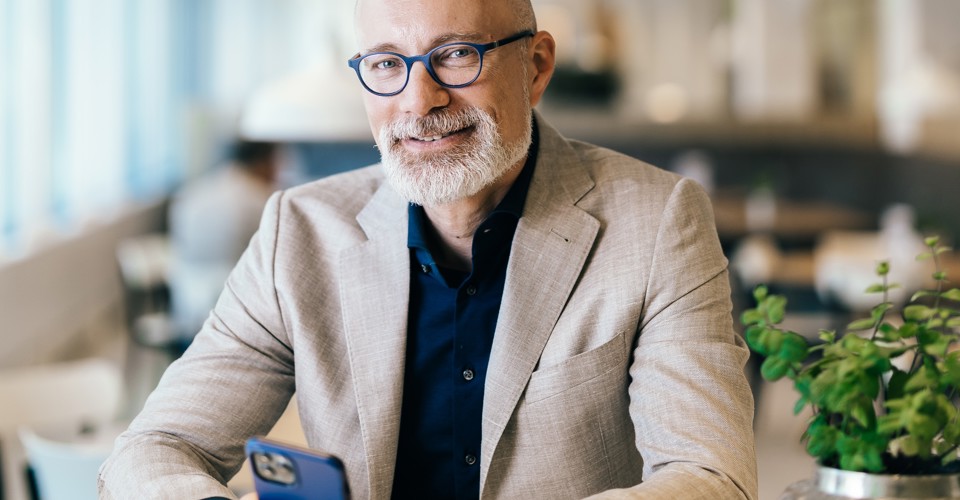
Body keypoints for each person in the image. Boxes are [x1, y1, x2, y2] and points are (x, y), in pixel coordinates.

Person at [99, 0, 758, 498]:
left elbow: (709, 476)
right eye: (387, 62)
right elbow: (153, 450)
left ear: (535, 67)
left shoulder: (658, 220)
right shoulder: (298, 232)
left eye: (456, 55)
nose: (420, 99)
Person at [166, 140, 280, 349]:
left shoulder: (194, 191)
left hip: (184, 305)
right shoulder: (258, 200)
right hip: (227, 312)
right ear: (263, 162)